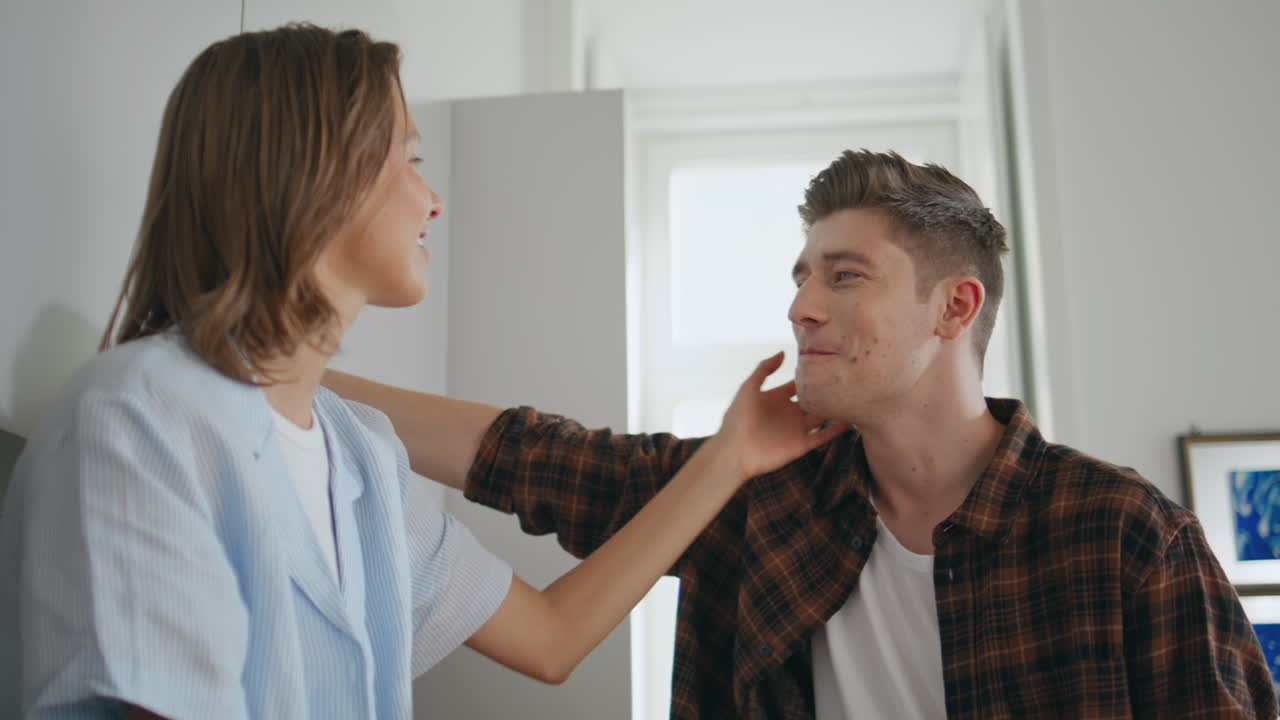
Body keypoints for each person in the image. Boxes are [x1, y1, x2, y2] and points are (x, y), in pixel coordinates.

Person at [0, 25, 847, 719]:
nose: (432, 198)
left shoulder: (358, 454)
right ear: (316, 172)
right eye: (408, 158)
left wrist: (730, 455)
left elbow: (552, 638)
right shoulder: (137, 418)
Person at [324, 149, 1279, 718]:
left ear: (955, 306)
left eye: (843, 276)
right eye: (800, 276)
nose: (801, 307)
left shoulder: (1126, 538)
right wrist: (291, 379)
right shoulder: (762, 497)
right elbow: (541, 460)